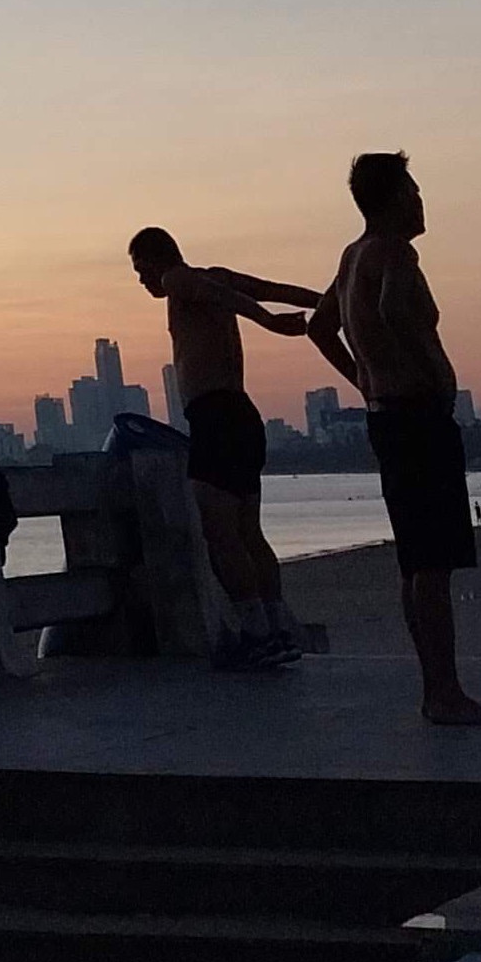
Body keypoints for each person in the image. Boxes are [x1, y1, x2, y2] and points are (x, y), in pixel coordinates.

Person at [304, 153, 481, 728]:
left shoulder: (352, 256)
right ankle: (445, 693)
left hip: (386, 416)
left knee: (415, 561)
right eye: (414, 191)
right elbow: (393, 309)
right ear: (393, 198)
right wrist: (429, 372)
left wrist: (363, 378)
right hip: (417, 416)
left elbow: (319, 326)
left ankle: (436, 689)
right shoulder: (393, 250)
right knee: (433, 562)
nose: (421, 202)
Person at [127, 227, 322, 667]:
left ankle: (256, 633)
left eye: (140, 270)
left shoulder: (178, 279)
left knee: (220, 534)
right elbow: (267, 288)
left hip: (216, 417)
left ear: (156, 260)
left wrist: (270, 323)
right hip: (241, 416)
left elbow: (228, 296)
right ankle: (276, 628)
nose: (142, 281)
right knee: (249, 532)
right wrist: (325, 301)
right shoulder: (214, 277)